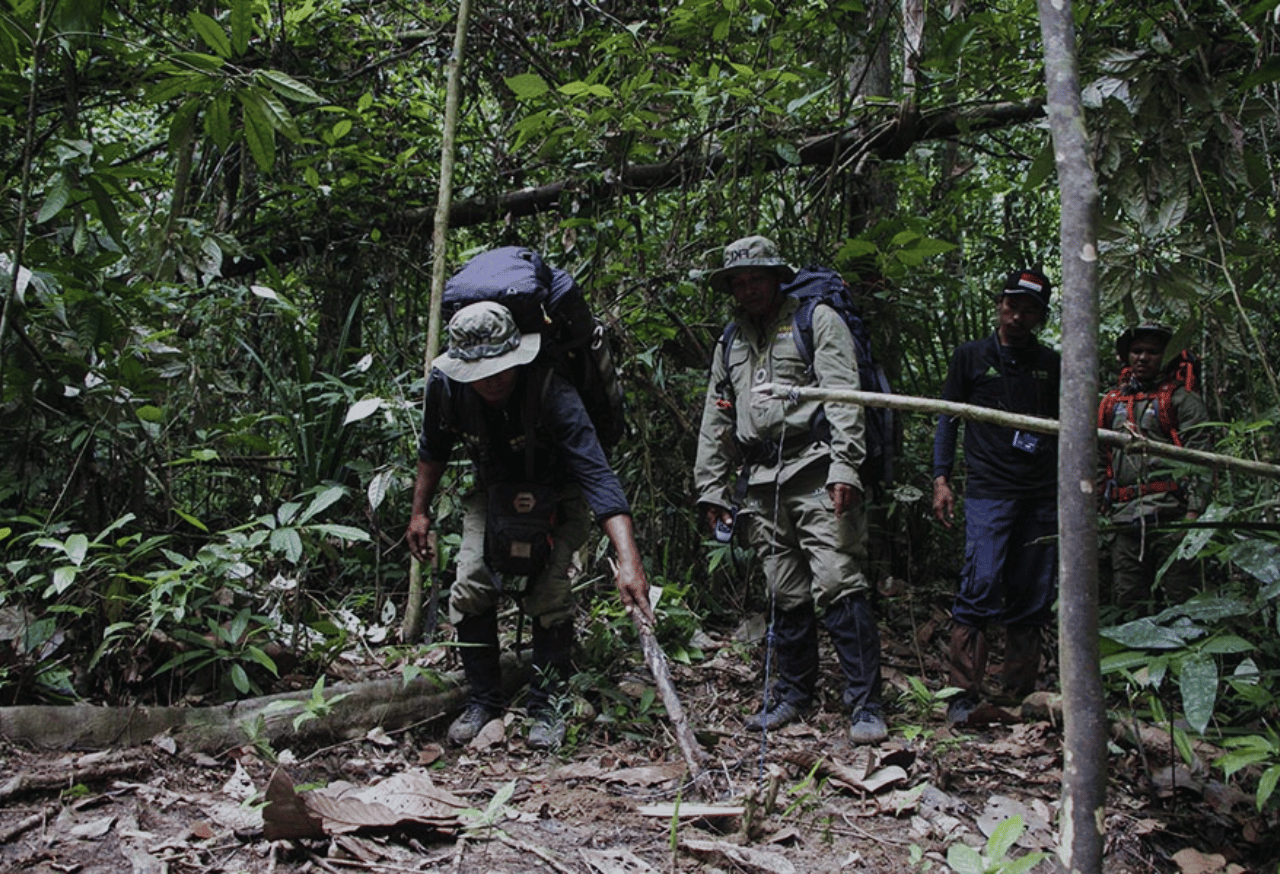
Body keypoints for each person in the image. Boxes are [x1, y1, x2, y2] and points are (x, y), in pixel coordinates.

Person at [406, 300, 654, 750]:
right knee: (471, 585)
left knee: (549, 591)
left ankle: (547, 706)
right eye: (478, 373)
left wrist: (628, 559)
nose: (490, 381)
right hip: (494, 489)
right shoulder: (447, 388)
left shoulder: (551, 388)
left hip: (561, 489)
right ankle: (483, 701)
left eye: (499, 370)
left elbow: (596, 474)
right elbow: (433, 448)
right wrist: (419, 513)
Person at [693, 235, 888, 744]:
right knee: (785, 590)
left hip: (816, 467)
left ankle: (866, 704)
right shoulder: (730, 340)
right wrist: (710, 488)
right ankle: (794, 693)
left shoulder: (816, 320)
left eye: (755, 278)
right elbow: (717, 416)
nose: (747, 289)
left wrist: (846, 467)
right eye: (738, 281)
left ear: (777, 277)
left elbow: (845, 396)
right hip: (759, 483)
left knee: (839, 580)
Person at [932, 268, 1060, 725]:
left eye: (1029, 309)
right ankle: (963, 694)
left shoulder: (1052, 363)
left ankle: (1020, 693)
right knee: (980, 584)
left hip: (1042, 494)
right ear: (1000, 305)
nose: (1018, 315)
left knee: (1031, 591)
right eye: (1012, 304)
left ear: (1041, 316)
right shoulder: (970, 357)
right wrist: (941, 478)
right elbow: (946, 418)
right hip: (990, 491)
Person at [1098, 323, 1212, 612]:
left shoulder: (1182, 401)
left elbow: (1200, 457)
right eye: (1137, 351)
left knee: (1181, 598)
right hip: (1124, 517)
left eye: (1153, 352)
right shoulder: (1111, 403)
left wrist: (1193, 512)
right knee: (1128, 600)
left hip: (1171, 513)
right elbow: (1098, 457)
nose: (1143, 358)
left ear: (1167, 356)